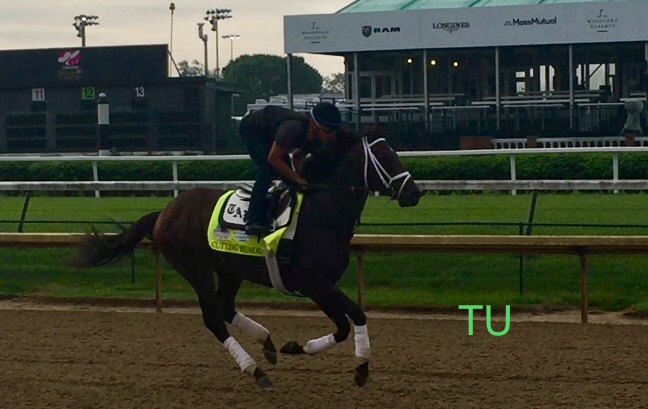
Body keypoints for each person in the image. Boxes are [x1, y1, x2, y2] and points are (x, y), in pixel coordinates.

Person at [238, 101, 343, 235]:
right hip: (252, 128)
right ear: (314, 125)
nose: (331, 135)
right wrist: (295, 177)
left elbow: (298, 156)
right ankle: (252, 220)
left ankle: (281, 214)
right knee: (268, 170)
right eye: (328, 130)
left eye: (334, 130)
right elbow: (273, 158)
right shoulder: (293, 129)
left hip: (271, 131)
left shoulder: (317, 138)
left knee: (289, 177)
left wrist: (299, 178)